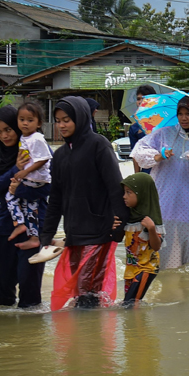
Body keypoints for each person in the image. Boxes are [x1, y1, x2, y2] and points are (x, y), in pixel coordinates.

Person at [40, 96, 129, 310]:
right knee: (80, 293)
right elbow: (56, 199)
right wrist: (46, 235)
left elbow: (114, 187)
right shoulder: (60, 155)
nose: (61, 125)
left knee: (88, 293)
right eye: (58, 120)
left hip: (99, 231)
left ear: (80, 118)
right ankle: (83, 340)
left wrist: (121, 225)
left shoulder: (99, 145)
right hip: (74, 234)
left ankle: (91, 339)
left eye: (66, 120)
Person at [131, 96, 189, 269]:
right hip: (162, 203)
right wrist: (159, 155)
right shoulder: (164, 133)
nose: (184, 118)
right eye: (180, 113)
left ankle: (188, 294)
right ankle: (164, 292)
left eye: (188, 114)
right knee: (159, 255)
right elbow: (138, 151)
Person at [0, 105, 49, 308]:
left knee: (30, 294)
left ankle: (30, 338)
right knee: (2, 294)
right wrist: (16, 169)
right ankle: (5, 336)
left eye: (8, 129)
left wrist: (18, 189)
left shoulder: (37, 150)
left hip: (34, 228)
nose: (4, 135)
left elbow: (51, 186)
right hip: (5, 225)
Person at [5, 102, 52, 251]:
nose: (25, 123)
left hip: (37, 179)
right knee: (31, 207)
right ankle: (34, 237)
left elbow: (44, 158)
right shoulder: (25, 137)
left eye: (30, 120)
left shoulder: (37, 138)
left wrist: (25, 172)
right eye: (22, 119)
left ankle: (19, 224)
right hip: (32, 179)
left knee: (10, 196)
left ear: (39, 123)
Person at [119, 173, 164, 307]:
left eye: (129, 193)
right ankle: (133, 327)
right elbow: (118, 238)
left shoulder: (150, 220)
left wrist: (151, 229)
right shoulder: (129, 217)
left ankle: (137, 327)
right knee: (127, 304)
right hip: (131, 269)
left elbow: (156, 247)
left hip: (147, 268)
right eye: (124, 192)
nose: (124, 196)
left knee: (132, 304)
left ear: (142, 194)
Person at [131, 84, 156, 173]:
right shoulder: (134, 127)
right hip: (146, 173)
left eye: (144, 98)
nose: (140, 101)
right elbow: (135, 155)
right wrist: (137, 177)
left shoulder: (163, 123)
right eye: (138, 99)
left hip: (164, 171)